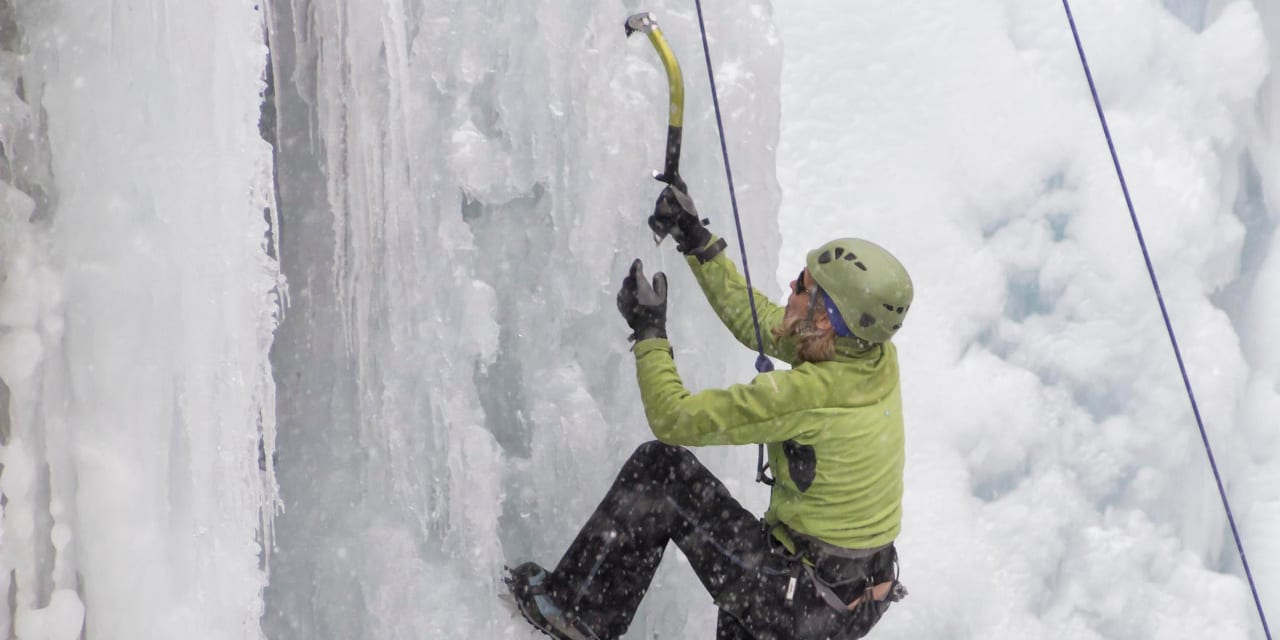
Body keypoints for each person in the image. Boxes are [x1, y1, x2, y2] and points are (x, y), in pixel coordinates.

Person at [505, 186, 913, 640]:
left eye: (802, 285)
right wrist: (696, 240)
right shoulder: (870, 355)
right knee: (750, 607)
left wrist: (649, 332)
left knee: (661, 472)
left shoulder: (811, 395)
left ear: (824, 319)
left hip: (800, 599)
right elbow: (759, 322)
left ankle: (577, 612)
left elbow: (673, 419)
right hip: (847, 598)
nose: (792, 288)